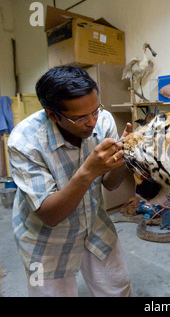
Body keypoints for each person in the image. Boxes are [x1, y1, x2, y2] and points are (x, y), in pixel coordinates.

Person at [7, 65, 132, 297]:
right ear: (52, 114)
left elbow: (110, 184)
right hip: (45, 239)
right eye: (80, 118)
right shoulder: (24, 142)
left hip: (94, 225)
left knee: (118, 287)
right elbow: (50, 216)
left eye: (95, 110)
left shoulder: (103, 121)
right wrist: (88, 171)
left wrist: (121, 159)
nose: (92, 122)